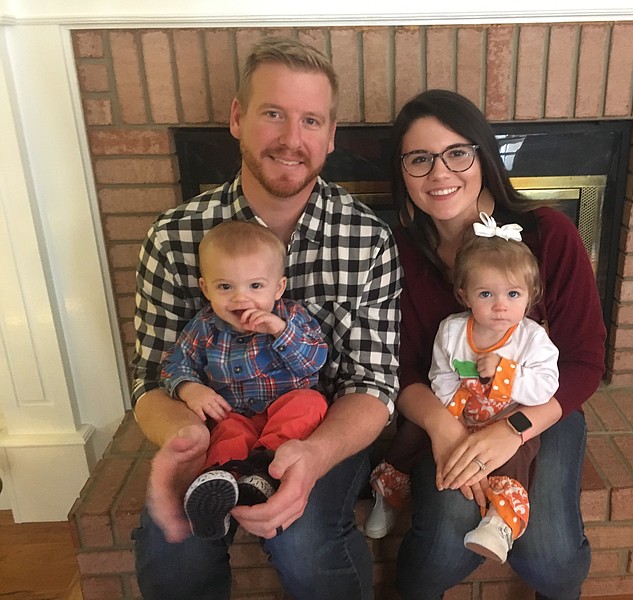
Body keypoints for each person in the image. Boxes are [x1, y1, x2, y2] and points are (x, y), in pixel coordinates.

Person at [130, 36, 402, 600]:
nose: (291, 139)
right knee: (170, 538)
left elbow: (373, 385)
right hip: (215, 426)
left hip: (316, 425)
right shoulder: (174, 236)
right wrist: (184, 438)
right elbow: (152, 379)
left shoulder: (368, 238)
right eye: (273, 113)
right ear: (237, 117)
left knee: (305, 542)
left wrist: (314, 454)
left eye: (311, 120)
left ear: (331, 135)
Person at [386, 89, 606, 600]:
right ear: (402, 171)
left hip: (538, 408)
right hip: (448, 410)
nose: (440, 174)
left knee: (550, 559)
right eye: (420, 159)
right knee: (444, 540)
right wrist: (444, 429)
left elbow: (583, 362)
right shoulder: (396, 252)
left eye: (457, 153)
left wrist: (513, 430)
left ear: (483, 155)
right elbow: (398, 369)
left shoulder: (548, 233)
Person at [364, 218, 559, 565]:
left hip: (508, 415)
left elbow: (547, 385)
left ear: (531, 296)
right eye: (486, 294)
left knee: (519, 458)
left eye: (513, 294)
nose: (500, 306)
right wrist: (451, 410)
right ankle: (389, 493)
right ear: (463, 294)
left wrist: (507, 374)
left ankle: (501, 523)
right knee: (410, 436)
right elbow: (440, 374)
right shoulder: (452, 331)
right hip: (459, 411)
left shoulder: (531, 339)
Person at [160, 221, 329, 540]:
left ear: (277, 288)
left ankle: (262, 470)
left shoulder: (291, 317)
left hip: (285, 412)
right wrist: (189, 388)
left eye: (255, 286)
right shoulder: (204, 327)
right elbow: (173, 364)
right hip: (235, 414)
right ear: (206, 288)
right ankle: (218, 489)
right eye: (225, 287)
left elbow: (314, 360)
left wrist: (280, 331)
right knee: (226, 433)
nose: (241, 299)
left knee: (311, 403)